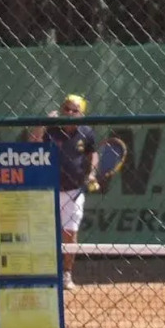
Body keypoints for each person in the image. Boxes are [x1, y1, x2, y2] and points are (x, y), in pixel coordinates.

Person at [43, 94, 96, 289]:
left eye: (75, 111)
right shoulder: (50, 129)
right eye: (67, 109)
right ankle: (47, 274)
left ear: (81, 115)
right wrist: (42, 123)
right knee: (45, 233)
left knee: (70, 233)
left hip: (74, 192)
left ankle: (66, 274)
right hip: (47, 190)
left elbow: (93, 154)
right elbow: (32, 141)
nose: (70, 113)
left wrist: (93, 172)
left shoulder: (87, 132)